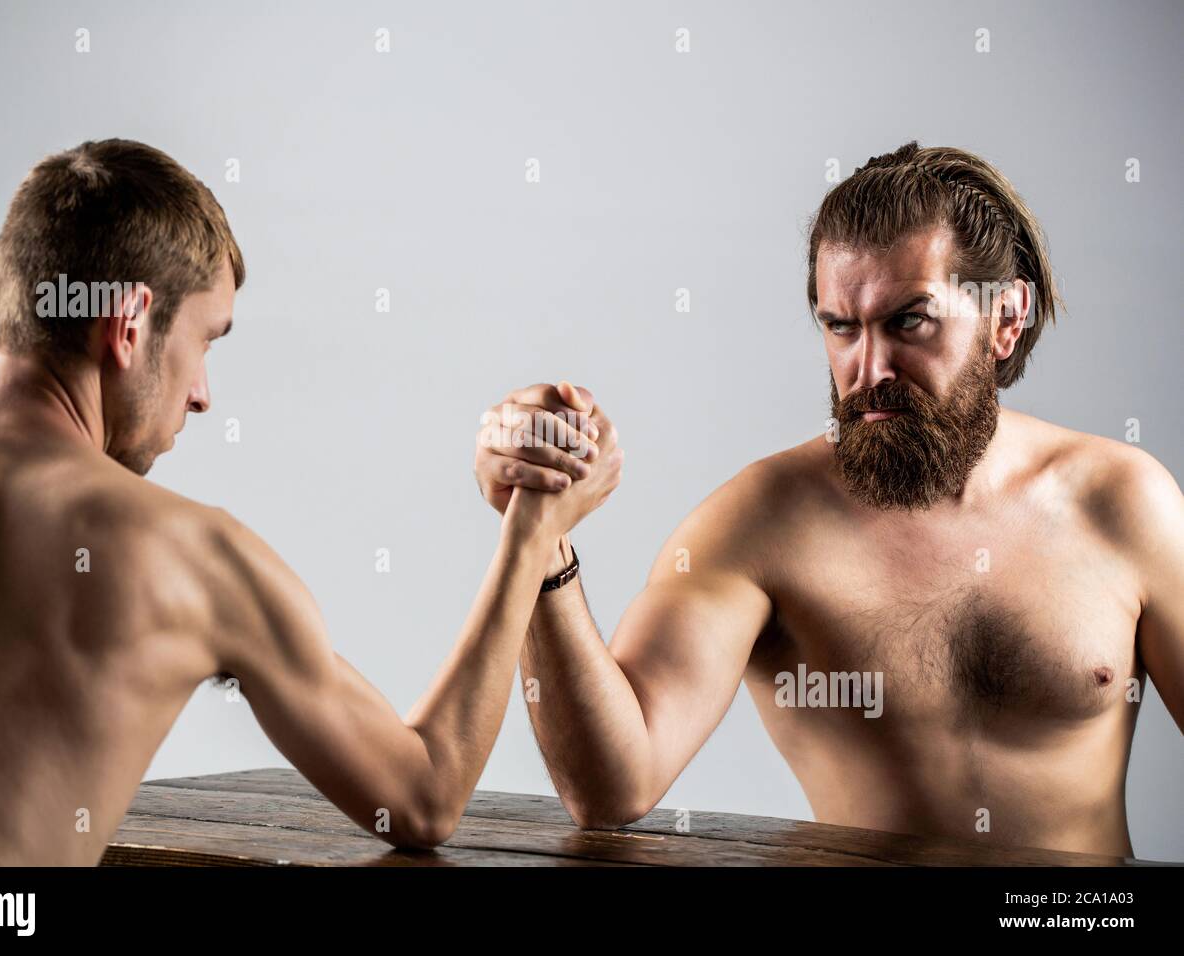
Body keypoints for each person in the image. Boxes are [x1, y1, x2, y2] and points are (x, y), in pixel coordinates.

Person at [0, 139, 622, 864]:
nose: (202, 395)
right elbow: (422, 795)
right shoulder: (197, 558)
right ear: (130, 324)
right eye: (206, 341)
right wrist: (534, 531)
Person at [474, 142, 1184, 856]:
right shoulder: (761, 523)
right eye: (840, 326)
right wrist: (540, 533)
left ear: (1005, 318)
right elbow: (610, 787)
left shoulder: (1123, 502)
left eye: (910, 321)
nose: (869, 369)